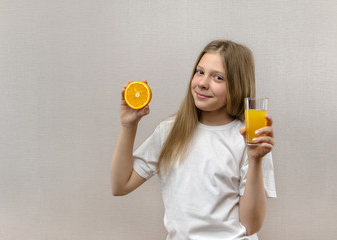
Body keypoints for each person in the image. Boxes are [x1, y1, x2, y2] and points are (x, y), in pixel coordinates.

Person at [111, 40, 276, 240]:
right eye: (199, 72)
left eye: (218, 77)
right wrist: (129, 126)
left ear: (237, 86)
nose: (202, 83)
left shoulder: (249, 140)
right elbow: (120, 186)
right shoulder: (170, 131)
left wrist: (256, 160)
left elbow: (250, 226)